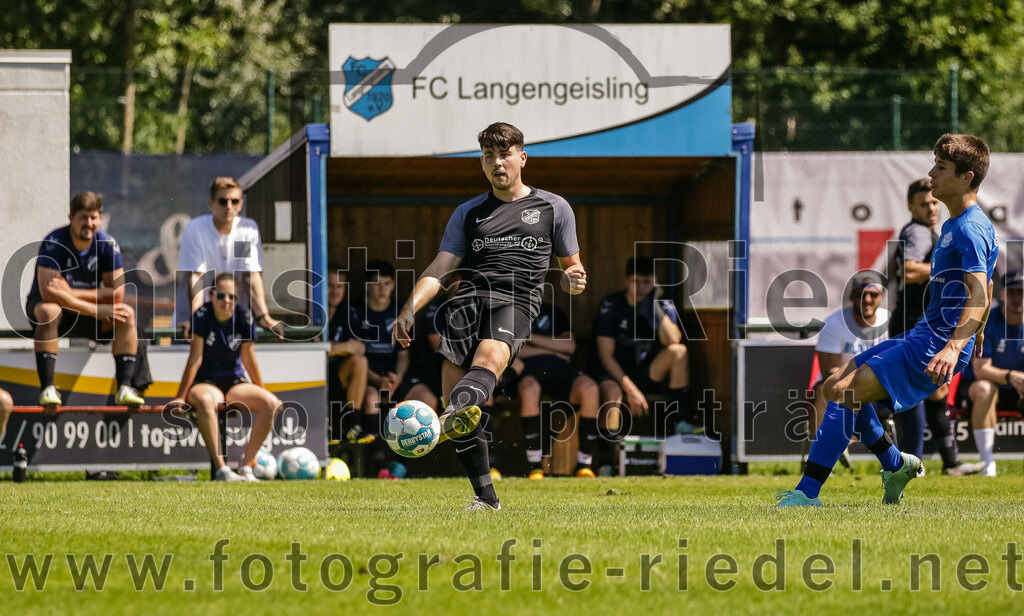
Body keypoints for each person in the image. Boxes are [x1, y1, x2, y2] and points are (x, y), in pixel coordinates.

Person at [777, 134, 997, 507]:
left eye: (941, 167)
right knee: (835, 385)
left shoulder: (969, 228)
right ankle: (895, 465)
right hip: (925, 335)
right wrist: (978, 330)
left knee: (846, 393)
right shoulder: (955, 226)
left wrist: (956, 344)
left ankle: (807, 493)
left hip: (935, 345)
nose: (931, 174)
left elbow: (978, 290)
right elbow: (987, 286)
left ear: (966, 177)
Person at [393, 122, 586, 511]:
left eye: (504, 155)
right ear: (482, 163)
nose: (497, 163)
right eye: (488, 156)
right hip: (465, 305)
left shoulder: (553, 207)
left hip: (515, 301)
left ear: (522, 158)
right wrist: (409, 308)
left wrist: (571, 280)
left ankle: (445, 419)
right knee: (458, 401)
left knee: (486, 365)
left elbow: (572, 269)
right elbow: (441, 266)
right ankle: (486, 499)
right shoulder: (468, 213)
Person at [889, 178, 978, 476]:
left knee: (935, 390)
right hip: (913, 321)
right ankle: (909, 462)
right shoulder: (917, 232)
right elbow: (910, 270)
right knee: (915, 391)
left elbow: (896, 270)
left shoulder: (924, 232)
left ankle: (947, 462)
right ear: (910, 206)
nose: (931, 207)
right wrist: (953, 268)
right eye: (923, 203)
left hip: (916, 319)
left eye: (932, 202)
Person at [26, 191, 144, 408]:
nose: (89, 223)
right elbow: (49, 293)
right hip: (52, 311)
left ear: (100, 217)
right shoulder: (54, 241)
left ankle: (125, 387)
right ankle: (47, 389)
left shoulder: (108, 244)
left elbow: (117, 293)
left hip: (82, 309)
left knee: (126, 313)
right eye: (83, 217)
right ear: (71, 218)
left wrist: (69, 292)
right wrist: (94, 309)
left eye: (93, 217)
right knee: (49, 311)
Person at [169, 273, 282, 481]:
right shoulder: (202, 315)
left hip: (234, 383)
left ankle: (247, 468)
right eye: (221, 296)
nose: (227, 301)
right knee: (204, 400)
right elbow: (195, 358)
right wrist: (180, 397)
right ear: (211, 295)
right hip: (206, 382)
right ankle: (222, 470)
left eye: (232, 297)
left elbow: (249, 359)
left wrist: (262, 390)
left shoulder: (244, 317)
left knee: (272, 404)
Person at [593, 256, 697, 438]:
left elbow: (673, 339)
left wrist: (655, 305)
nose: (640, 287)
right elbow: (605, 357)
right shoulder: (611, 305)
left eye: (647, 282)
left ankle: (680, 421)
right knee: (612, 392)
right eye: (635, 281)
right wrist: (631, 389)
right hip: (614, 375)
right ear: (627, 281)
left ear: (655, 282)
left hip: (645, 372)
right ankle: (607, 458)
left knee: (679, 352)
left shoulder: (662, 305)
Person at [176, 177, 284, 341]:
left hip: (232, 327)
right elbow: (197, 277)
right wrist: (197, 320)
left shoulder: (247, 229)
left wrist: (263, 316)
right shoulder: (195, 229)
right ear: (211, 203)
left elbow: (250, 276)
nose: (229, 206)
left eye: (234, 201)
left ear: (241, 204)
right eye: (223, 201)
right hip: (190, 325)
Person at [805, 272, 890, 468]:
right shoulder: (834, 323)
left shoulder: (890, 321)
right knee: (822, 391)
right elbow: (829, 371)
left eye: (873, 295)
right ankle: (819, 463)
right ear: (852, 296)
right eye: (861, 294)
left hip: (879, 386)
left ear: (881, 297)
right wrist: (859, 384)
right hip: (841, 386)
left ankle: (904, 461)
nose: (867, 300)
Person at [510, 300, 600, 479]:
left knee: (590, 388)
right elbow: (514, 350)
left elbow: (569, 346)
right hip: (529, 372)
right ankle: (535, 466)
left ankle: (584, 465)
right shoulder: (513, 312)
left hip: (562, 372)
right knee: (529, 389)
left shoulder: (553, 311)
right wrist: (552, 350)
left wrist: (529, 338)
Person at [966, 270, 1024, 477]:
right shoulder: (989, 321)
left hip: (1020, 389)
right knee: (984, 388)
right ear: (1003, 295)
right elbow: (980, 370)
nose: (1018, 298)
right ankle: (987, 462)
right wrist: (1011, 376)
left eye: (1022, 292)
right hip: (989, 386)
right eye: (1013, 292)